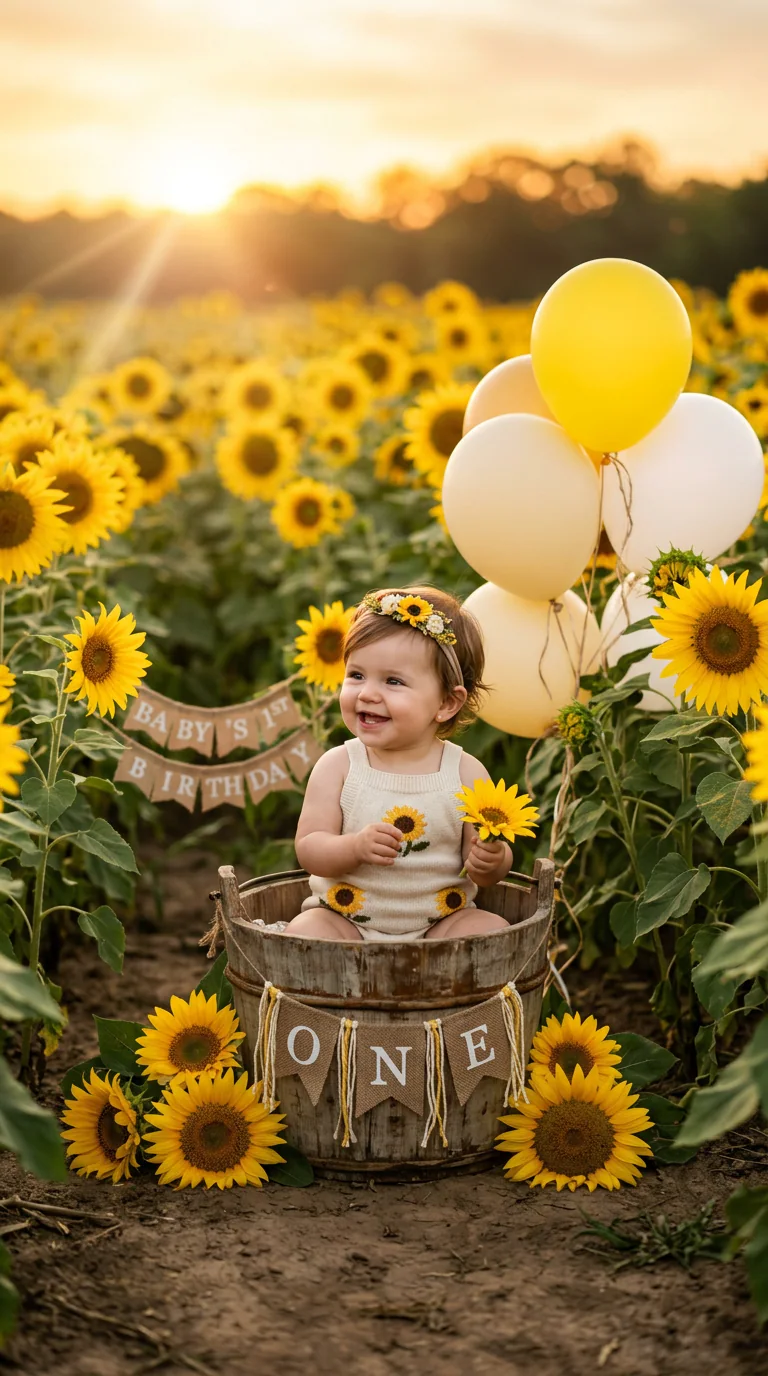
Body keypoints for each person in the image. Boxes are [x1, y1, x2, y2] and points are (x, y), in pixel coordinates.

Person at [282, 585, 511, 942]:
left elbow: (479, 862)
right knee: (305, 933)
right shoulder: (340, 766)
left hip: (440, 925)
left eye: (393, 681)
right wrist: (354, 847)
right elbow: (310, 848)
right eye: (356, 675)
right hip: (346, 922)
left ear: (447, 703)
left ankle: (442, 988)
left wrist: (492, 859)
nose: (367, 693)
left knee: (491, 932)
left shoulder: (464, 773)